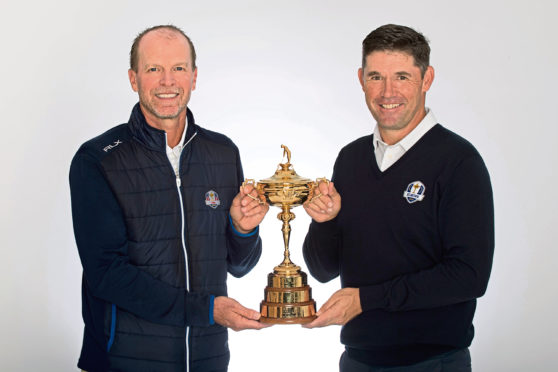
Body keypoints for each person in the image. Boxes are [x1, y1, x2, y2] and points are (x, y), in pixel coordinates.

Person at [69, 25, 270, 372]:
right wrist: (207, 310)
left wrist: (243, 230)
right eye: (153, 69)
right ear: (134, 79)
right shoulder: (99, 160)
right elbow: (107, 275)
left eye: (178, 68)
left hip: (208, 359)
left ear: (194, 77)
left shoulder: (222, 152)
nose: (167, 82)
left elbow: (239, 266)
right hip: (125, 361)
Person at [302, 24, 494, 371]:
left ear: (427, 78)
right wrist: (325, 222)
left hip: (431, 361)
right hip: (358, 360)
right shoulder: (351, 159)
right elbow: (322, 269)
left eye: (402, 76)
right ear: (361, 79)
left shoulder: (458, 161)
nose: (387, 91)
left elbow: (469, 276)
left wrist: (366, 300)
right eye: (376, 76)